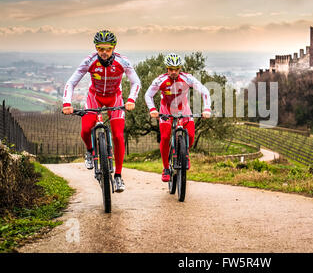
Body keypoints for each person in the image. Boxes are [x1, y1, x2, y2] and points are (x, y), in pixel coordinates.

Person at [62, 30, 141, 192]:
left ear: (113, 48)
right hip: (95, 97)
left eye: (107, 49)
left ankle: (118, 176)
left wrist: (131, 99)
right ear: (96, 48)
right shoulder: (89, 61)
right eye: (100, 49)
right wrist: (66, 103)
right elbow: (71, 83)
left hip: (115, 97)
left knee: (118, 136)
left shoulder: (122, 61)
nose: (104, 53)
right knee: (85, 130)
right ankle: (90, 151)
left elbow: (136, 82)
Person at [145, 53, 211, 182]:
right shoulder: (160, 80)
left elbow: (205, 91)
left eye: (176, 69)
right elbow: (148, 95)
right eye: (171, 69)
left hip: (183, 109)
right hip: (166, 109)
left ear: (180, 69)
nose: (174, 72)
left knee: (191, 136)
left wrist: (207, 109)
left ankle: (185, 154)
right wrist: (152, 109)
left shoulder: (188, 78)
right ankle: (165, 168)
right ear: (167, 69)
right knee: (164, 137)